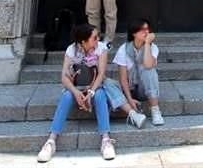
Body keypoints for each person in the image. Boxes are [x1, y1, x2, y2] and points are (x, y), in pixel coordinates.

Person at [36, 23, 143, 163]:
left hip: (96, 86)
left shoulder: (101, 48)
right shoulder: (71, 50)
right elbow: (64, 77)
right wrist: (75, 92)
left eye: (98, 36)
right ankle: (51, 141)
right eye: (94, 37)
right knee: (67, 96)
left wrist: (91, 92)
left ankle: (105, 139)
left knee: (100, 95)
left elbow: (101, 75)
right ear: (83, 41)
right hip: (77, 87)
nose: (97, 39)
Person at [112, 18, 164, 126]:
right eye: (142, 29)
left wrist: (147, 44)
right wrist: (129, 99)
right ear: (134, 33)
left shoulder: (153, 47)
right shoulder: (124, 49)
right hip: (130, 89)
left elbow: (148, 65)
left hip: (145, 90)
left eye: (147, 29)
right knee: (109, 83)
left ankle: (155, 110)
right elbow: (123, 78)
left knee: (148, 70)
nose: (146, 32)